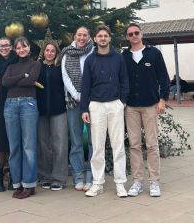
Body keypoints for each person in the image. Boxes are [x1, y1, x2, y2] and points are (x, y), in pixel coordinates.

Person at [81, 25, 129, 198]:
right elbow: (85, 86)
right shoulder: (90, 60)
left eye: (105, 36)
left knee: (118, 146)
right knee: (98, 148)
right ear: (95, 39)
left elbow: (124, 81)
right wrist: (84, 108)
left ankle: (120, 183)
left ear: (110, 38)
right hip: (96, 106)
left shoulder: (118, 58)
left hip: (115, 105)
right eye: (99, 36)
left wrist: (122, 101)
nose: (102, 38)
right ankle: (97, 183)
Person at [122, 23, 170, 198]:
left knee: (152, 144)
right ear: (127, 37)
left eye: (136, 33)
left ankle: (154, 181)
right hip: (131, 107)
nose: (134, 36)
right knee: (134, 145)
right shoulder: (124, 56)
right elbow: (122, 80)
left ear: (141, 34)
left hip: (150, 105)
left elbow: (163, 78)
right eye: (130, 34)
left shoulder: (154, 54)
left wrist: (163, 99)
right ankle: (138, 181)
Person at [2, 36, 41, 199]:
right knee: (14, 146)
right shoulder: (11, 66)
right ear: (15, 50)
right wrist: (21, 77)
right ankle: (17, 183)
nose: (21, 50)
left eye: (24, 47)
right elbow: (5, 82)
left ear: (29, 48)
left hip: (28, 105)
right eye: (18, 48)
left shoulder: (35, 64)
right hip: (10, 105)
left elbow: (31, 80)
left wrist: (17, 80)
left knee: (28, 146)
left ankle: (29, 184)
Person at [60, 26, 94, 191]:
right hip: (73, 103)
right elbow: (65, 76)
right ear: (75, 36)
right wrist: (77, 95)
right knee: (77, 142)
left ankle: (91, 176)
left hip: (93, 103)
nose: (81, 38)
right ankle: (78, 177)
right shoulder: (67, 53)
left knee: (92, 141)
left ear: (89, 36)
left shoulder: (93, 51)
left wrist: (88, 96)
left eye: (85, 35)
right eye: (79, 35)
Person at [36, 41, 68, 191]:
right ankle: (44, 176)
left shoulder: (60, 67)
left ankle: (58, 177)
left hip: (59, 109)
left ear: (56, 53)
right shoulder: (38, 67)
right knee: (43, 145)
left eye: (52, 51)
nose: (49, 53)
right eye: (47, 50)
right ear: (44, 52)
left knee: (59, 144)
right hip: (41, 111)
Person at [0, 37, 18, 192]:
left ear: (11, 47)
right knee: (1, 142)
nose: (4, 48)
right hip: (0, 104)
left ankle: (14, 175)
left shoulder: (17, 60)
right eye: (1, 46)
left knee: (14, 140)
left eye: (7, 45)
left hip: (15, 101)